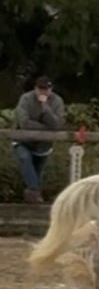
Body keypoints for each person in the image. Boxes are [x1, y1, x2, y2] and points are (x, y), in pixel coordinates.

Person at [12, 76, 65, 204]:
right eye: (40, 88)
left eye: (46, 89)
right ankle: (35, 192)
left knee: (37, 172)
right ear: (35, 88)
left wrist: (46, 108)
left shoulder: (57, 101)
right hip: (23, 140)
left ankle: (31, 197)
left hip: (43, 145)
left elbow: (57, 125)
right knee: (25, 158)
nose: (43, 92)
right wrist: (46, 128)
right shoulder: (25, 99)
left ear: (51, 89)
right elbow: (24, 123)